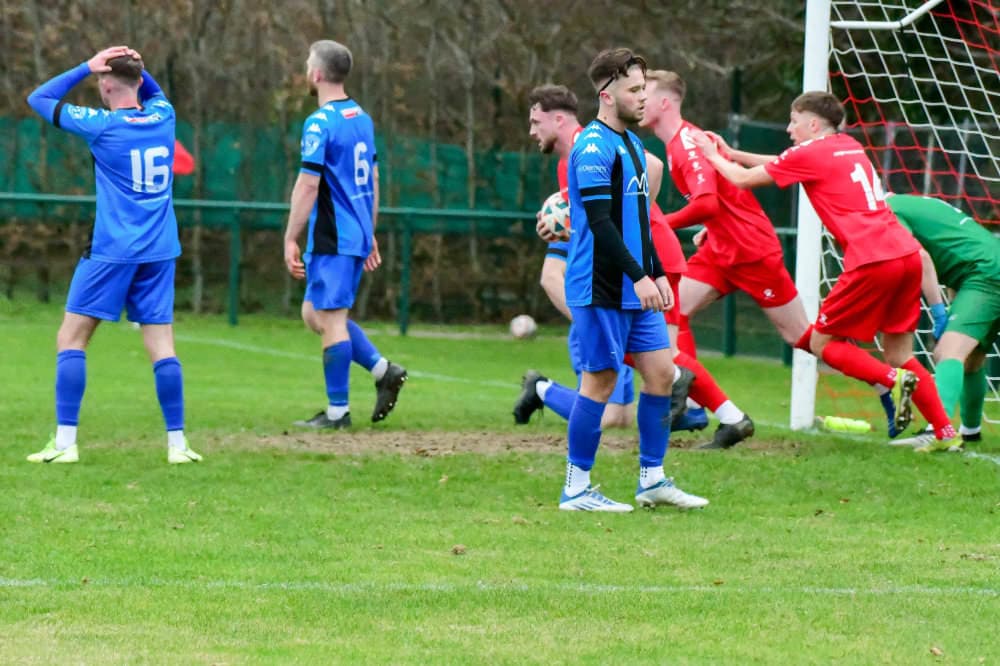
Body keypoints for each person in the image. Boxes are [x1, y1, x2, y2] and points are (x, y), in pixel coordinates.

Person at [693, 91, 955, 446]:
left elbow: (741, 180)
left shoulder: (811, 152)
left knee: (821, 342)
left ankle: (892, 382)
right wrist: (734, 154)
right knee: (900, 354)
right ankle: (945, 432)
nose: (789, 129)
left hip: (872, 258)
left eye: (794, 121)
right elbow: (784, 162)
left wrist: (711, 156)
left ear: (813, 124)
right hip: (906, 254)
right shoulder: (848, 146)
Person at [25, 46, 201, 464]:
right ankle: (178, 446)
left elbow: (39, 98)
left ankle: (65, 444)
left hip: (113, 250)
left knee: (71, 339)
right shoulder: (164, 116)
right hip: (159, 249)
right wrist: (137, 64)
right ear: (140, 82)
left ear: (105, 86)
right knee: (162, 345)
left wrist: (86, 66)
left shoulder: (102, 125)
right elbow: (152, 91)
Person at [558, 48, 707, 512]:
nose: (644, 97)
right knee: (600, 381)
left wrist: (656, 273)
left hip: (632, 284)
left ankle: (652, 479)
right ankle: (576, 488)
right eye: (635, 89)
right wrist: (639, 276)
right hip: (599, 284)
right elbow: (601, 223)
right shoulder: (593, 147)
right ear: (607, 95)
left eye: (645, 88)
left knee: (662, 374)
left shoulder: (634, 147)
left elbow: (641, 222)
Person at [640, 69, 788, 448]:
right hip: (722, 249)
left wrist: (656, 224)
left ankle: (888, 380)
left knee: (804, 338)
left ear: (665, 102)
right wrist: (712, 228)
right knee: (674, 311)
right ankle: (694, 405)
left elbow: (708, 203)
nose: (638, 100)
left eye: (645, 93)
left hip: (751, 250)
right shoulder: (678, 143)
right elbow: (721, 199)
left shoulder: (687, 143)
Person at [283, 40, 407, 429]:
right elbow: (374, 177)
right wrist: (369, 229)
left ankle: (337, 413)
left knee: (332, 319)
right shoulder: (361, 118)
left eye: (308, 64)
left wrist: (290, 237)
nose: (306, 70)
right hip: (353, 232)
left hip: (334, 235)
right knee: (313, 313)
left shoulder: (320, 122)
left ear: (318, 73)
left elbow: (308, 184)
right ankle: (383, 370)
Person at [513, 84, 636, 429]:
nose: (531, 131)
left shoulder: (592, 148)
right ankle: (543, 388)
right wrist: (566, 229)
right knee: (612, 417)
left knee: (622, 417)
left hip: (617, 282)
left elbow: (652, 168)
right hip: (601, 292)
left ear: (558, 120)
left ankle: (541, 389)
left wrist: (639, 217)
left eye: (536, 122)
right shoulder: (566, 164)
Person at [883, 194, 1000, 451]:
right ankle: (970, 432)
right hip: (986, 268)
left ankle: (938, 430)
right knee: (972, 359)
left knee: (947, 352)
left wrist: (937, 311)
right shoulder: (912, 203)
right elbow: (955, 253)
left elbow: (920, 257)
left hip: (985, 275)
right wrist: (952, 307)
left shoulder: (887, 211)